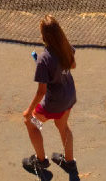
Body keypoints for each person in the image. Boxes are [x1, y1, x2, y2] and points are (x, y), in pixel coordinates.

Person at [22, 15, 78, 175]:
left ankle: (40, 161)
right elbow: (72, 65)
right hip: (69, 96)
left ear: (44, 35)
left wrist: (29, 110)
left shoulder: (44, 59)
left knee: (32, 124)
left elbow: (42, 91)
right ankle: (69, 162)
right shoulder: (66, 47)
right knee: (63, 126)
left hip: (53, 103)